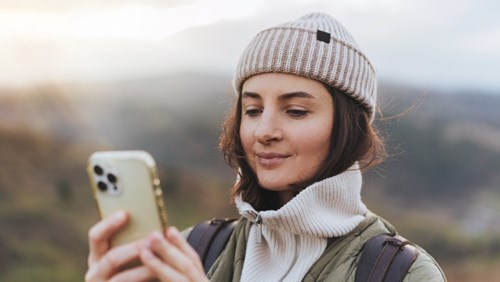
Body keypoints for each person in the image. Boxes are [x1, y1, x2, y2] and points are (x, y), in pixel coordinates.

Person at [85, 13, 447, 281]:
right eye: (253, 110)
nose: (264, 131)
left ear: (349, 128)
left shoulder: (401, 274)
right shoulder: (194, 249)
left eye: (296, 111)